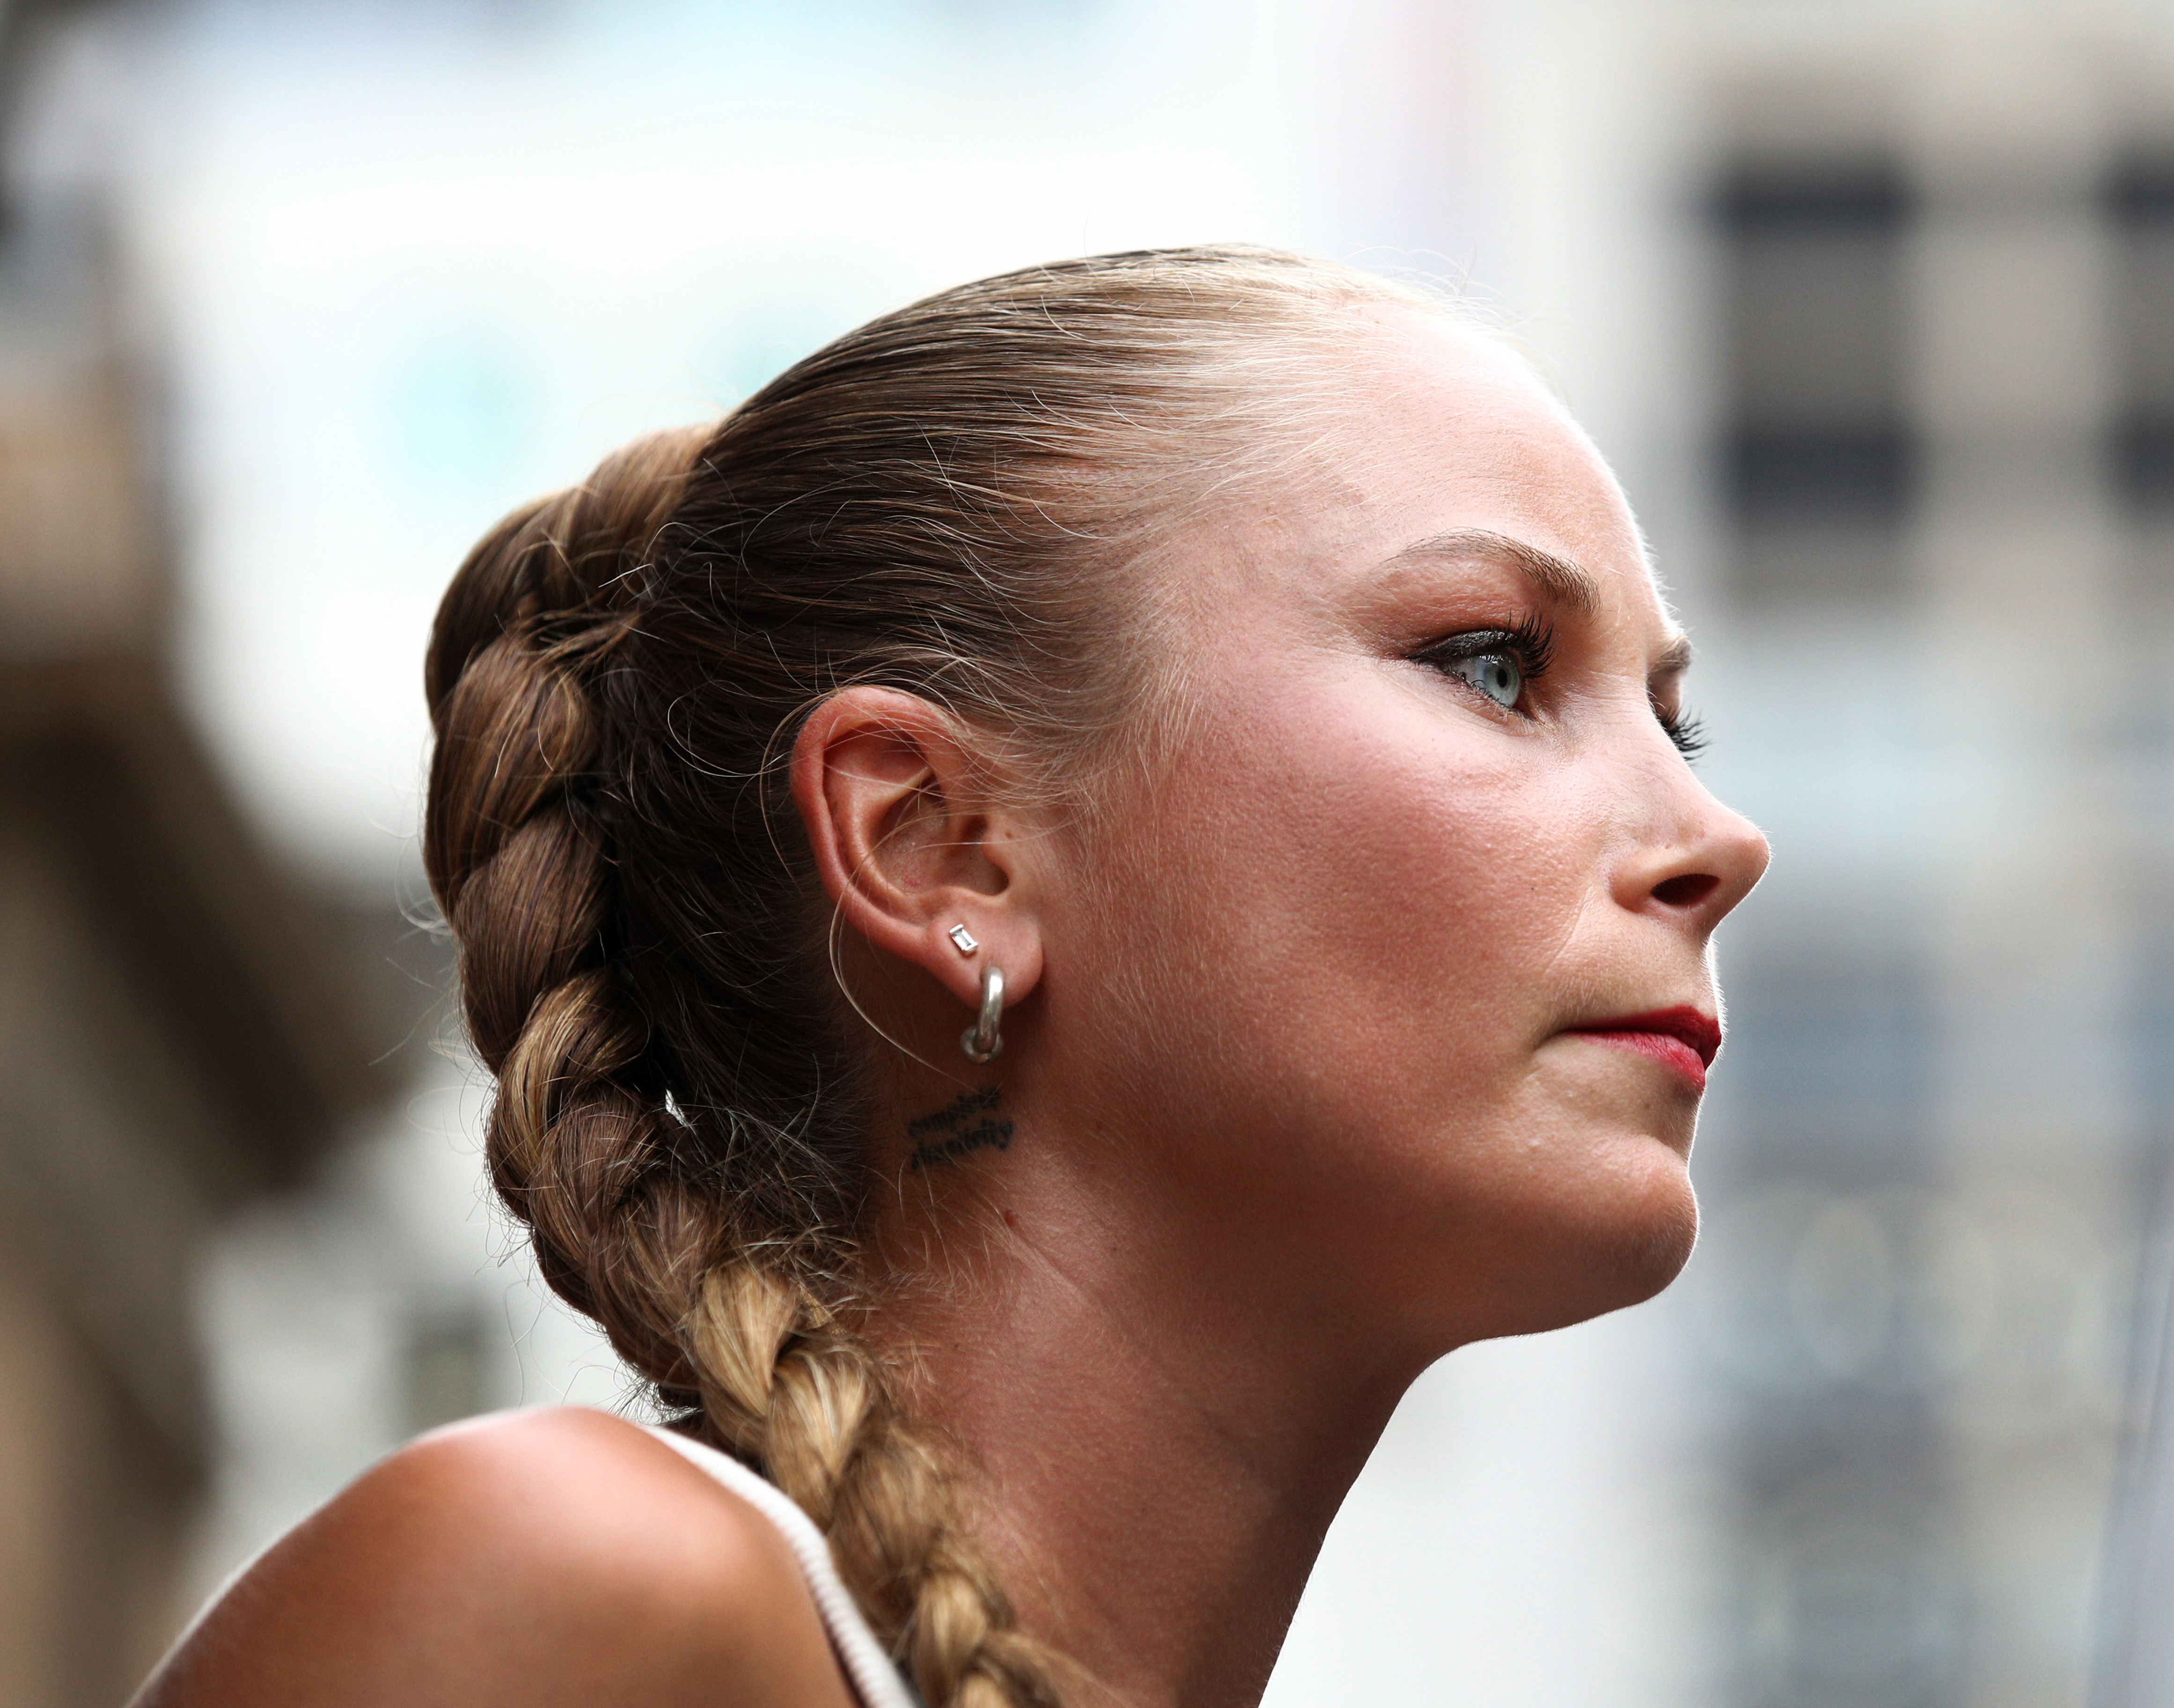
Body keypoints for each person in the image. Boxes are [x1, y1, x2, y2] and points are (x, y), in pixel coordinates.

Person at [136, 245, 1767, 1708]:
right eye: (1494, 664)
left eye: (1671, 718)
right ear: (939, 847)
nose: (1716, 836)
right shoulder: (568, 1597)